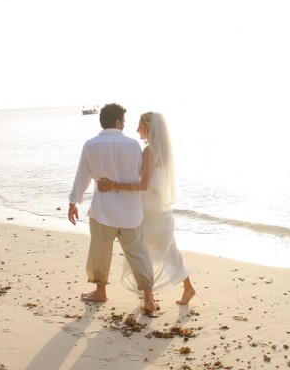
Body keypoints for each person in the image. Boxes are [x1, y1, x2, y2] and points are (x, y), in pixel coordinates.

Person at [97, 112, 196, 305]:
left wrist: (113, 185)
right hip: (159, 208)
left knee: (144, 250)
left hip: (149, 211)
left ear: (148, 128)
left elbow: (144, 185)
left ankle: (171, 289)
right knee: (165, 250)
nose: (136, 130)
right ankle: (174, 288)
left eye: (139, 126)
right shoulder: (163, 151)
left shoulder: (149, 152)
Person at [68, 103, 157, 313]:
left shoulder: (91, 145)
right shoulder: (133, 146)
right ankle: (149, 298)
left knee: (100, 252)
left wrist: (74, 202)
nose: (125, 124)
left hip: (103, 211)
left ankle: (100, 292)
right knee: (138, 253)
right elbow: (139, 176)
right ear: (117, 122)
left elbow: (83, 176)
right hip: (130, 211)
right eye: (124, 121)